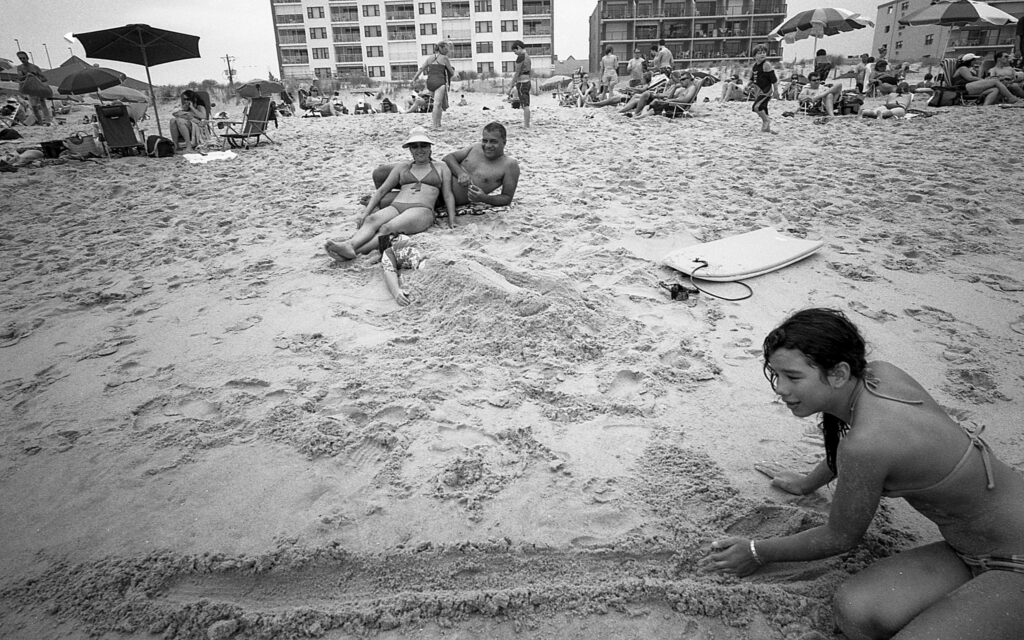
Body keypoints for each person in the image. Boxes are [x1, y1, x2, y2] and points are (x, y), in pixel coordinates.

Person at [702, 308, 1024, 640]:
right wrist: (806, 483)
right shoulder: (878, 376)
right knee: (856, 612)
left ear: (839, 373)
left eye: (793, 377)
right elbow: (853, 437)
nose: (780, 388)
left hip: (1017, 558)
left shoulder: (866, 446)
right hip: (967, 548)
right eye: (776, 375)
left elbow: (840, 537)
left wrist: (756, 552)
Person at [325, 127, 456, 262]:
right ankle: (349, 245)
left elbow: (448, 195)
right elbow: (382, 190)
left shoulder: (441, 167)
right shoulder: (403, 166)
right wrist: (365, 213)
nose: (419, 150)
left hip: (422, 209)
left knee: (387, 228)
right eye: (414, 146)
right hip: (397, 206)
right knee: (372, 220)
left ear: (430, 148)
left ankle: (356, 252)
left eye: (423, 145)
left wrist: (452, 219)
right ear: (410, 149)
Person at [371, 121, 519, 211]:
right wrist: (461, 173)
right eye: (485, 140)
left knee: (383, 201)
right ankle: (403, 193)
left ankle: (397, 199)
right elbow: (448, 158)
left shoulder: (509, 165)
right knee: (379, 174)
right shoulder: (476, 148)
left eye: (493, 142)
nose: (488, 145)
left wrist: (484, 198)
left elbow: (506, 198)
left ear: (504, 142)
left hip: (441, 195)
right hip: (436, 172)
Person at [412, 41, 456, 129]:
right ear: (442, 48)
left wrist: (414, 78)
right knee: (437, 104)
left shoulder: (429, 58)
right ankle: (436, 125)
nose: (448, 50)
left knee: (437, 104)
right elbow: (451, 72)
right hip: (440, 82)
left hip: (430, 82)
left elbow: (421, 69)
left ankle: (438, 123)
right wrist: (451, 72)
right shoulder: (444, 58)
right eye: (447, 48)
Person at [378, 233, 427, 306]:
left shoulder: (391, 252)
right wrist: (396, 292)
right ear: (394, 240)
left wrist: (396, 292)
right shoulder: (389, 252)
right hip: (425, 262)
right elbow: (389, 272)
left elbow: (389, 271)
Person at [953, 53, 1019, 105]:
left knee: (995, 89)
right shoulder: (963, 68)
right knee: (995, 81)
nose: (976, 61)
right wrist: (984, 81)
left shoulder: (970, 69)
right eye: (975, 60)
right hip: (962, 88)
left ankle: (985, 106)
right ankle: (1011, 98)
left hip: (969, 87)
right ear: (970, 61)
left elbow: (974, 79)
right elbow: (970, 78)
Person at [745, 46, 778, 134]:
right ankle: (767, 129)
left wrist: (776, 91)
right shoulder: (755, 66)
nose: (762, 54)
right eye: (759, 53)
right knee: (763, 108)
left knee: (756, 107)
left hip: (766, 90)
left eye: (764, 52)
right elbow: (753, 78)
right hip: (758, 90)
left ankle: (767, 120)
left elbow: (774, 79)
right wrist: (748, 85)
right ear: (754, 56)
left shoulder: (766, 64)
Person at [15, 51, 51, 126]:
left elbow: (43, 78)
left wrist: (36, 76)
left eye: (23, 58)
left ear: (27, 58)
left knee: (42, 104)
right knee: (34, 106)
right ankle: (40, 122)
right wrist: (26, 76)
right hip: (30, 89)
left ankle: (48, 121)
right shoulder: (20, 68)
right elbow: (20, 78)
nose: (22, 60)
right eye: (20, 58)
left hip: (38, 88)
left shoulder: (34, 67)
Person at [509, 40, 532, 129]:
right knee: (526, 104)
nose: (515, 54)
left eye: (515, 51)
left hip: (522, 82)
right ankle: (527, 124)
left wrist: (511, 86)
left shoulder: (521, 57)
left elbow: (517, 72)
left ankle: (526, 125)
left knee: (524, 105)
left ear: (518, 47)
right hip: (527, 81)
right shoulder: (528, 57)